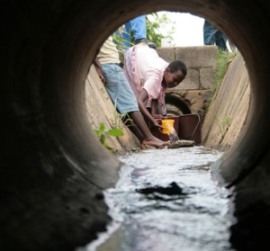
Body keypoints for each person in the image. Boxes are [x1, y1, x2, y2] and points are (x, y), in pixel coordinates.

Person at [94, 36, 168, 148]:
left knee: (122, 109)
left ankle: (143, 139)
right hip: (109, 65)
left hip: (109, 66)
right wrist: (99, 67)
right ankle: (149, 138)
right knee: (130, 105)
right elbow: (93, 43)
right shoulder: (156, 74)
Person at [124, 43, 187, 129]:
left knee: (150, 95)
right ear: (168, 71)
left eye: (178, 82)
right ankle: (144, 131)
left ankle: (150, 123)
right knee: (137, 98)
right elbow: (139, 101)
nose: (175, 84)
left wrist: (154, 115)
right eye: (175, 79)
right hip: (135, 56)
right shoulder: (155, 78)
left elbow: (156, 93)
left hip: (147, 54)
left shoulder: (167, 71)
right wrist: (152, 119)